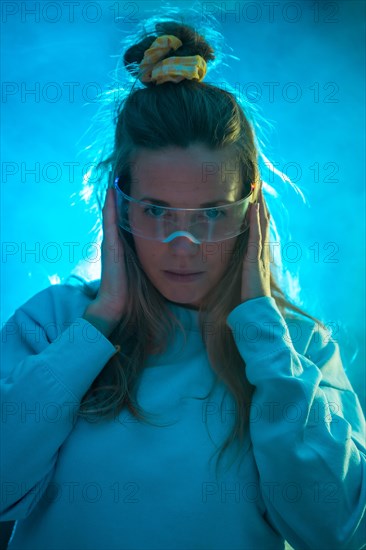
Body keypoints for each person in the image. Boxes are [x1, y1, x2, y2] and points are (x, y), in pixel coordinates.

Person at [1, 15, 365, 550]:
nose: (184, 245)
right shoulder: (53, 322)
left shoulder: (299, 348)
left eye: (213, 213)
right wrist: (99, 322)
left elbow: (335, 530)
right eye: (157, 210)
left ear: (252, 216)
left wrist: (263, 333)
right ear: (117, 207)